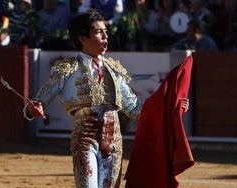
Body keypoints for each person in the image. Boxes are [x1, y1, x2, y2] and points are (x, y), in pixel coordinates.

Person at [24, 10, 189, 188]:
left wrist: (171, 108)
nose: (105, 36)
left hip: (113, 143)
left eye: (105, 31)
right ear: (82, 38)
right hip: (85, 140)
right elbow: (39, 100)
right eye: (98, 32)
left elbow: (134, 109)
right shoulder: (66, 69)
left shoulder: (114, 70)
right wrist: (32, 110)